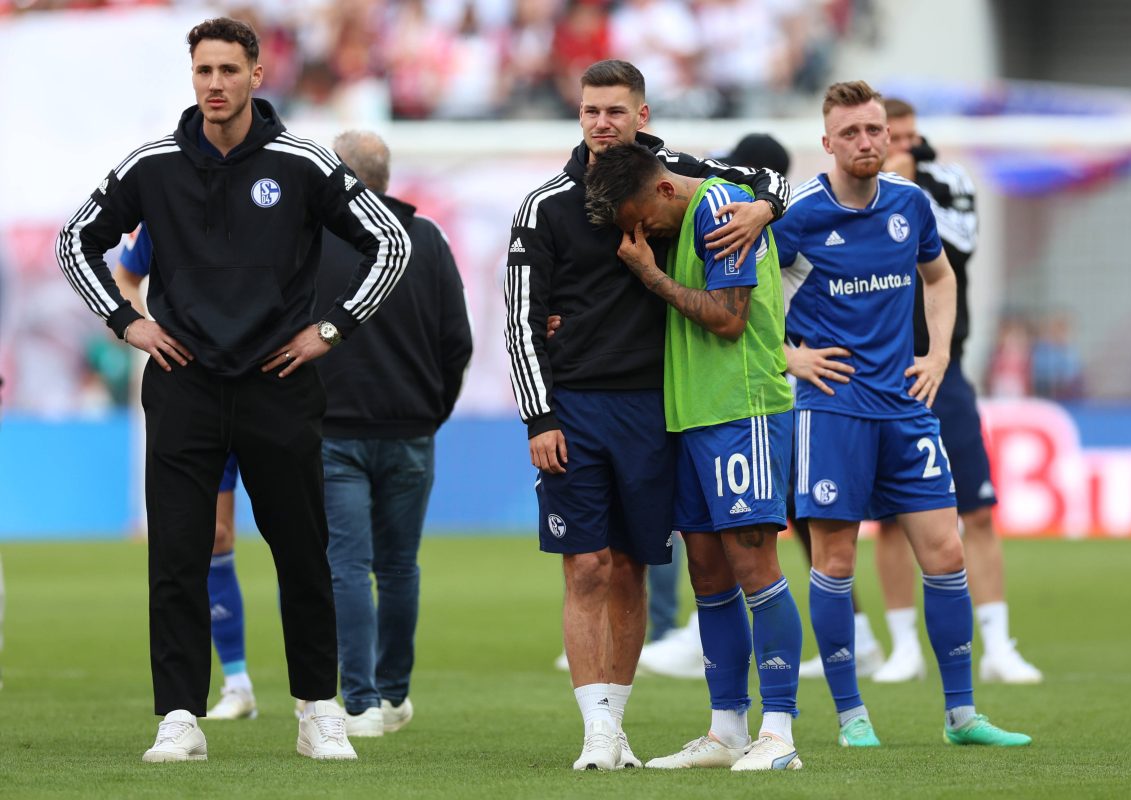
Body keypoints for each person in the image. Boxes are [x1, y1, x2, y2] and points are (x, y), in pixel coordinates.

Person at [55, 17, 409, 762]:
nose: (214, 83)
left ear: (256, 74)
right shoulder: (152, 165)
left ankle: (317, 709)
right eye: (203, 70)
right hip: (183, 385)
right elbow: (74, 239)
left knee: (302, 552)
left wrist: (331, 330)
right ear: (194, 77)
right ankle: (178, 718)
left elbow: (393, 242)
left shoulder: (302, 161)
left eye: (227, 69)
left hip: (278, 383)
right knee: (177, 557)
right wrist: (127, 322)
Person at [503, 59, 788, 771]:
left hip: (665, 409)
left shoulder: (682, 177)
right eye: (590, 110)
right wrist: (539, 418)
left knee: (640, 566)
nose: (602, 122)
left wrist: (764, 206)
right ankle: (604, 732)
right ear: (579, 114)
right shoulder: (545, 205)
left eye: (615, 111)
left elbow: (769, 181)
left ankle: (739, 731)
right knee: (592, 566)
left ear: (642, 115)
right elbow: (518, 321)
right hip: (578, 409)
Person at [773, 80, 1030, 747]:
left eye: (874, 130)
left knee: (945, 553)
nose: (864, 142)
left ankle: (962, 716)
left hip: (906, 408)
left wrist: (938, 352)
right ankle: (852, 716)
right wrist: (789, 359)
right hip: (831, 412)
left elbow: (940, 277)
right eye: (850, 133)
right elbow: (742, 299)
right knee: (833, 561)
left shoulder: (911, 204)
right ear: (826, 142)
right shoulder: (799, 215)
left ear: (889, 136)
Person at [586, 143, 803, 771]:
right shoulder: (683, 216)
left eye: (642, 219)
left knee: (753, 563)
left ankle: (780, 734)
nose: (641, 233)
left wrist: (649, 275)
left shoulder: (720, 210)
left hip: (742, 410)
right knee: (707, 572)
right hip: (692, 417)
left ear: (662, 191)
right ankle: (728, 729)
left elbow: (729, 320)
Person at [868, 98, 1042, 685]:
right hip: (882, 376)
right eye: (899, 138)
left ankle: (998, 644)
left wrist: (909, 187)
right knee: (890, 520)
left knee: (978, 510)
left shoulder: (948, 182)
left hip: (946, 370)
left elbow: (959, 249)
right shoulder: (857, 195)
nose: (908, 147)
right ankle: (902, 647)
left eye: (914, 137)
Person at [315, 130, 473, 738]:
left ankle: (358, 703)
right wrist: (433, 410)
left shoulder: (313, 240)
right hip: (411, 429)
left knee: (347, 565)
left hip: (332, 431)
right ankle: (393, 694)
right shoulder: (426, 240)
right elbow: (456, 340)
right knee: (399, 566)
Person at [114, 226, 261, 717]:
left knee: (304, 537)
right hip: (198, 394)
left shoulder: (277, 190)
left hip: (271, 385)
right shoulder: (163, 199)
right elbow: (126, 275)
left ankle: (314, 695)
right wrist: (143, 324)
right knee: (215, 535)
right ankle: (236, 682)